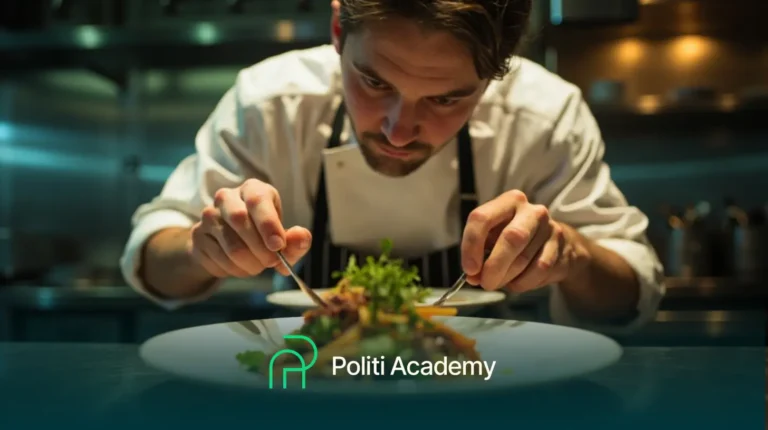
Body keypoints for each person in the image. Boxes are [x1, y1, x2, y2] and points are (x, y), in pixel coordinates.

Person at [120, 0, 665, 334]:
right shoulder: (269, 103)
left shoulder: (545, 116)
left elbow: (629, 296)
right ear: (338, 32)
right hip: (306, 390)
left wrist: (572, 254)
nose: (399, 132)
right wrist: (200, 247)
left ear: (498, 71)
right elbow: (151, 261)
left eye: (447, 99)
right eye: (375, 83)